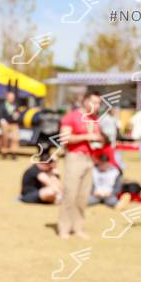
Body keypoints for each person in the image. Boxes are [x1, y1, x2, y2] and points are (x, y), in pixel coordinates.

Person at [57, 91, 103, 239]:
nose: (96, 106)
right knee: (70, 194)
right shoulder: (72, 116)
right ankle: (64, 228)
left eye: (98, 103)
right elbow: (65, 138)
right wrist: (86, 136)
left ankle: (78, 227)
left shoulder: (94, 119)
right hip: (75, 157)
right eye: (94, 102)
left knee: (83, 196)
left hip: (90, 159)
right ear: (85, 101)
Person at [0, 90, 20, 159]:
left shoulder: (15, 105)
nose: (12, 99)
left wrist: (17, 115)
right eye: (10, 97)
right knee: (4, 138)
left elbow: (18, 113)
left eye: (13, 97)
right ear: (7, 97)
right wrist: (2, 121)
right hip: (5, 124)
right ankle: (4, 152)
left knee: (15, 138)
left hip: (14, 124)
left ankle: (14, 152)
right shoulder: (2, 105)